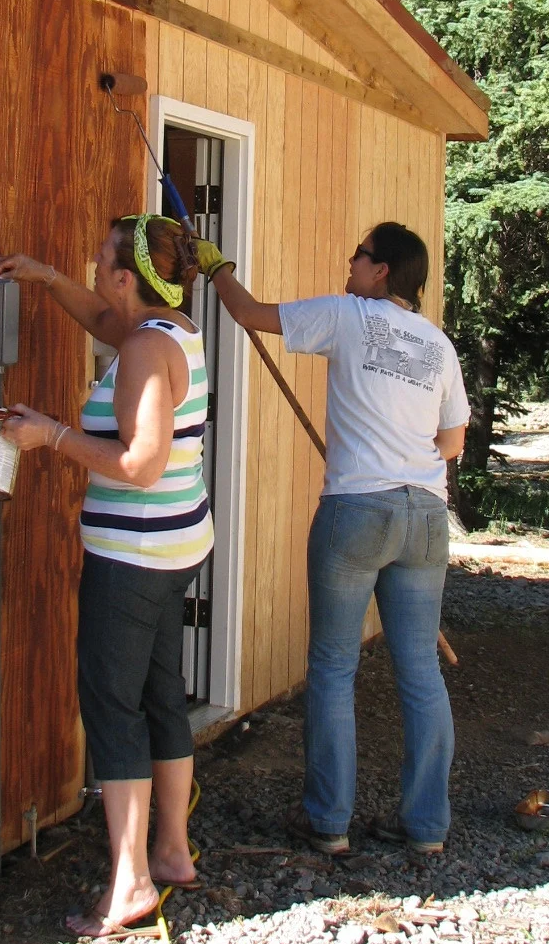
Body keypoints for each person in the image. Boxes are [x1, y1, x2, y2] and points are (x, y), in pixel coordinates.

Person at [197, 222, 469, 859]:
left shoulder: (349, 315)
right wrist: (406, 458)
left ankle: (330, 823)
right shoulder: (438, 344)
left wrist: (215, 269)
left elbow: (248, 313)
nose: (350, 260)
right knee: (421, 673)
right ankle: (427, 828)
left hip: (357, 513)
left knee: (333, 669)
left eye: (361, 254)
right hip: (426, 517)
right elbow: (452, 443)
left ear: (381, 272)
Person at [0, 215, 211, 935]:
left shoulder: (145, 353)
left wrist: (49, 436)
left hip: (134, 556)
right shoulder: (168, 331)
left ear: (127, 279)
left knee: (113, 708)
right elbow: (103, 320)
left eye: (99, 264)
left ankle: (130, 882)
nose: (90, 269)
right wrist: (47, 278)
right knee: (161, 696)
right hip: (176, 548)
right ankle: (172, 851)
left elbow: (140, 467)